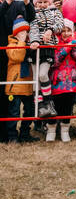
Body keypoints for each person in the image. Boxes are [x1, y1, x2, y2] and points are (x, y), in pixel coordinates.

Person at [48, 20, 76, 142]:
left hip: (71, 80)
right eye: (63, 31)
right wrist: (68, 47)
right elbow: (56, 60)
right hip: (57, 79)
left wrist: (74, 44)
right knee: (55, 105)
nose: (66, 33)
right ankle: (51, 130)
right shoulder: (55, 43)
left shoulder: (74, 42)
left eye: (69, 30)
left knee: (68, 105)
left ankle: (65, 130)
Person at [4, 12, 34, 143]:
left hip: (27, 85)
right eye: (22, 32)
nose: (25, 35)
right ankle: (12, 136)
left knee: (29, 111)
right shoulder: (11, 46)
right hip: (15, 85)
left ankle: (25, 134)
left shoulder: (27, 44)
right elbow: (17, 57)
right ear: (15, 33)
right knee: (14, 112)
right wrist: (22, 41)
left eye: (26, 32)